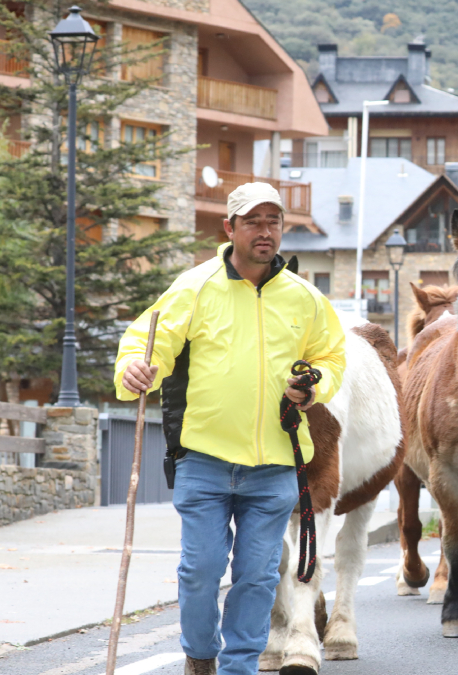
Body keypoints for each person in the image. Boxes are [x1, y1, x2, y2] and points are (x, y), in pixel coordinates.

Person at [114, 182, 346, 675]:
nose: (265, 231)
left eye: (273, 222)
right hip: (204, 460)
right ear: (230, 228)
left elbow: (331, 357)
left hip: (276, 464)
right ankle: (200, 656)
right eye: (253, 222)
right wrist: (135, 367)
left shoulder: (305, 297)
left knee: (258, 577)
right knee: (199, 571)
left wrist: (315, 385)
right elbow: (148, 338)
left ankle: (239, 667)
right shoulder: (195, 286)